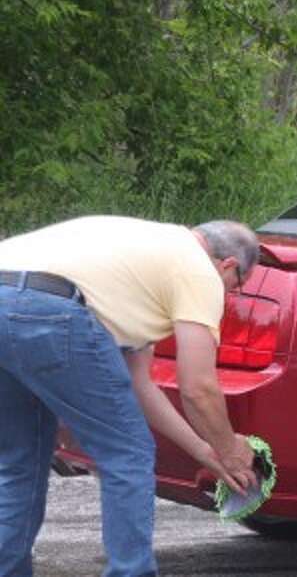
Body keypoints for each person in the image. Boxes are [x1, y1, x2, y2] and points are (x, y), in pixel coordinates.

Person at [0, 217, 259, 577]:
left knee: (20, 460)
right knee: (128, 455)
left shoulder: (146, 259)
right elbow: (198, 387)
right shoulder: (199, 270)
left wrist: (205, 450)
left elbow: (140, 386)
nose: (230, 294)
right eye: (237, 285)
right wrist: (230, 449)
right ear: (228, 265)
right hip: (50, 308)